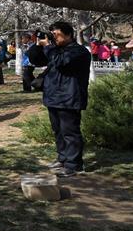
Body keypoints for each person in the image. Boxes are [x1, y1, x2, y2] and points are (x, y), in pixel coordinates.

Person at [27, 21, 91, 178]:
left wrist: (49, 46)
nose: (53, 37)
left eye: (56, 34)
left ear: (68, 34)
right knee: (58, 131)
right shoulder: (55, 50)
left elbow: (61, 62)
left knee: (70, 132)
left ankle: (74, 165)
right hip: (53, 96)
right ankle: (63, 158)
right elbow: (36, 60)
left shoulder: (78, 51)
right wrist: (38, 44)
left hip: (69, 97)